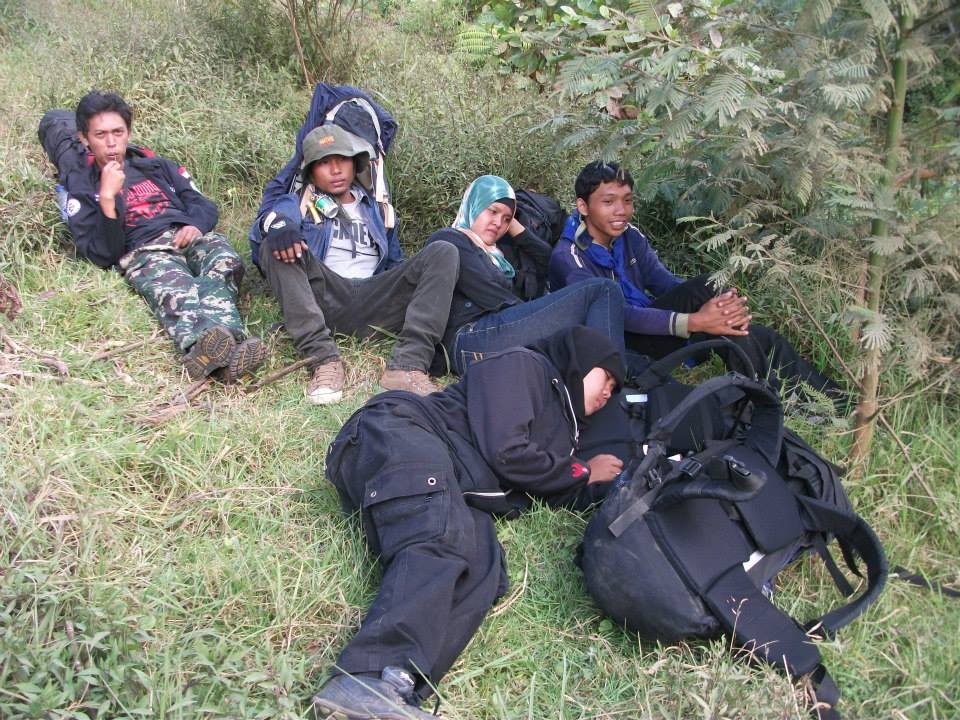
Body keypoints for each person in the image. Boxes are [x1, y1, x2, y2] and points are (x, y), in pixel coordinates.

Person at [312, 326, 626, 719]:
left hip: (454, 482)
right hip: (401, 431)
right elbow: (507, 451)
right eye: (607, 375)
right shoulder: (526, 366)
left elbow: (543, 487)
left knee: (483, 571)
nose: (609, 390)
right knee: (441, 537)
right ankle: (366, 675)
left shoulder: (564, 429)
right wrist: (581, 471)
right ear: (580, 360)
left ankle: (394, 689)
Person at [549, 161, 843, 398]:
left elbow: (664, 283)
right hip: (618, 344)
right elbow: (617, 317)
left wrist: (714, 310)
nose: (621, 211)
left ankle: (835, 399)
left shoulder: (630, 236)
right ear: (583, 206)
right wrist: (694, 322)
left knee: (727, 309)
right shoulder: (570, 256)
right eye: (608, 202)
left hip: (649, 325)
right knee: (725, 327)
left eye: (627, 200)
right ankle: (768, 396)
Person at [48, 91, 268, 382]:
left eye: (118, 132)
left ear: (128, 133)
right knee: (177, 286)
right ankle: (215, 351)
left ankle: (219, 348)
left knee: (224, 260)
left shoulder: (155, 166)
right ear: (85, 139)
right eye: (101, 135)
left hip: (187, 235)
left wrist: (195, 226)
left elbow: (202, 204)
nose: (111, 142)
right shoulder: (80, 185)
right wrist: (107, 198)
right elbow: (102, 254)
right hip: (145, 249)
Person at [249, 125, 459, 404]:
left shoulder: (379, 208)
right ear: (311, 170)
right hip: (326, 298)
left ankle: (408, 365)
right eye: (324, 163)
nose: (335, 170)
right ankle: (323, 359)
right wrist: (281, 227)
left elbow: (394, 263)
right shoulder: (299, 202)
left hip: (377, 299)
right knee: (276, 246)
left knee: (444, 251)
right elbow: (272, 219)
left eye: (342, 160)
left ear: (354, 163)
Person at [425, 175, 628, 375]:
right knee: (603, 290)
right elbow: (491, 295)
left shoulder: (497, 255)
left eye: (506, 219)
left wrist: (516, 229)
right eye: (492, 211)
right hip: (467, 338)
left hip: (493, 335)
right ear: (474, 205)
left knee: (588, 339)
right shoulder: (451, 239)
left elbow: (549, 262)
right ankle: (613, 383)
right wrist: (538, 317)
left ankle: (611, 383)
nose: (498, 223)